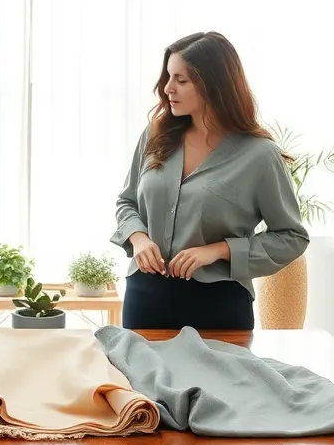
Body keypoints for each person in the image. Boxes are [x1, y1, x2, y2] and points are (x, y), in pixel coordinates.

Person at [112, 31, 308, 331]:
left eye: (181, 80)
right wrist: (139, 239)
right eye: (168, 77)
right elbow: (127, 202)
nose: (167, 89)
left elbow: (292, 237)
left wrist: (218, 250)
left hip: (218, 303)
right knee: (136, 378)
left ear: (213, 85)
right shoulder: (156, 135)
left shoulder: (259, 156)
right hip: (145, 297)